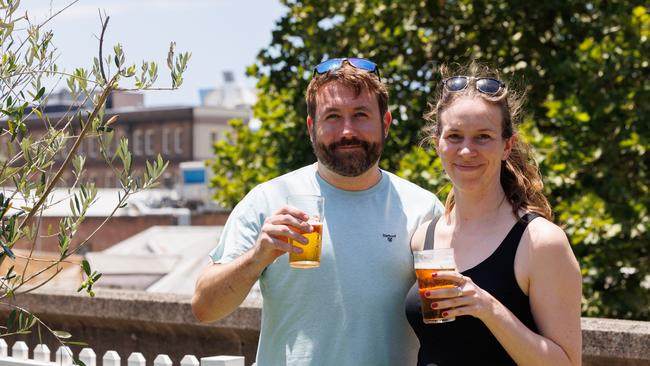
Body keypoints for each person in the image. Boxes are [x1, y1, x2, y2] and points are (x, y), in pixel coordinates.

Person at [192, 58, 444, 365]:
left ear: (385, 124)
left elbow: (445, 318)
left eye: (361, 115)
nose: (347, 130)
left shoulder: (424, 207)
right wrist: (258, 256)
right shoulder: (268, 199)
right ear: (312, 127)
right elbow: (205, 307)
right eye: (333, 117)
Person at [404, 63, 582, 365]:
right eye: (455, 136)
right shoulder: (426, 237)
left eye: (483, 137)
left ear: (506, 145)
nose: (466, 150)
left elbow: (566, 363)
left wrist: (487, 307)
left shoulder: (540, 242)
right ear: (438, 145)